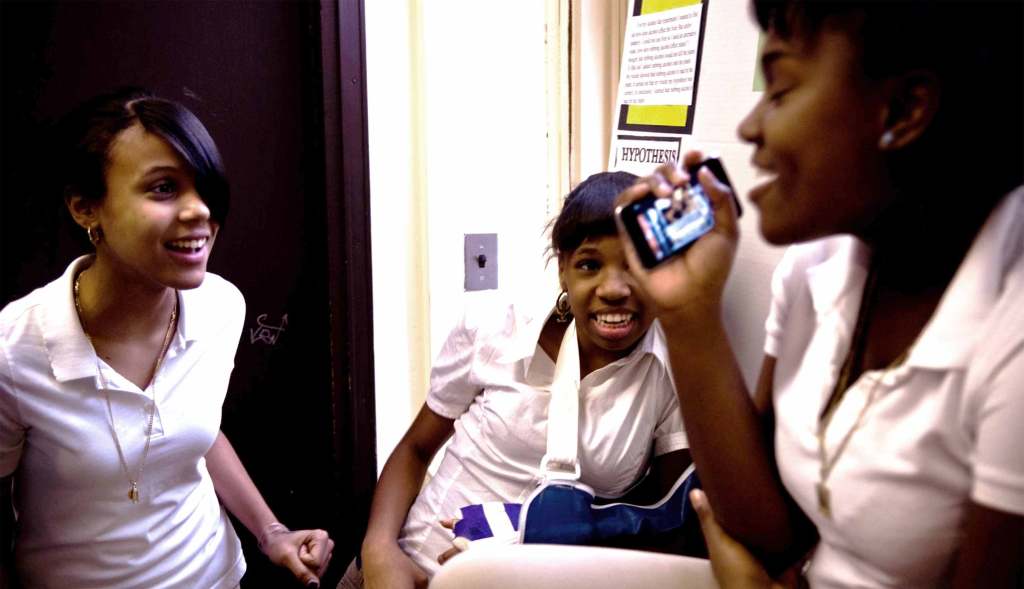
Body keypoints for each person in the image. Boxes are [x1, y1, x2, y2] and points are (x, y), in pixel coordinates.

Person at [615, 1, 1024, 587]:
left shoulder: (1012, 326)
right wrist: (689, 316)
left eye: (778, 90)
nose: (749, 127)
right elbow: (769, 528)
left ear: (906, 109)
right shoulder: (817, 265)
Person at [0, 88, 334, 588]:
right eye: (162, 188)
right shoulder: (14, 349)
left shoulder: (220, 306)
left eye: (205, 188)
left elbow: (196, 428)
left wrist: (271, 532)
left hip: (214, 576)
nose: (199, 211)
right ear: (85, 208)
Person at [348, 171, 692, 588]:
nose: (614, 289)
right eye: (589, 264)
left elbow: (671, 521)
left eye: (638, 264)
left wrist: (531, 535)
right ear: (563, 268)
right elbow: (416, 449)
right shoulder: (495, 328)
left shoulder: (677, 373)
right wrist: (380, 550)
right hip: (415, 568)